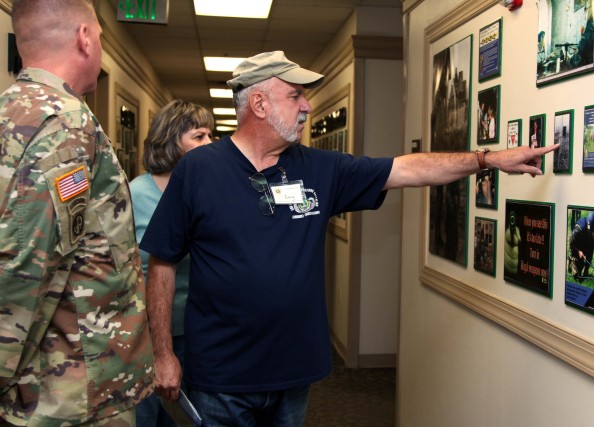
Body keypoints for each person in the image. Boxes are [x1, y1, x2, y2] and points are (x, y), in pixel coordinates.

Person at [140, 50, 558, 426]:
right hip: (221, 375)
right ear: (259, 103)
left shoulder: (320, 168)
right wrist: (163, 354)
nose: (306, 107)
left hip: (294, 372)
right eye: (295, 96)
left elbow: (408, 170)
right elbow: (161, 263)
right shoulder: (199, 170)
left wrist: (487, 160)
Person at [0, 1, 154, 425]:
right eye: (101, 37)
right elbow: (26, 268)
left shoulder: (13, 110)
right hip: (67, 393)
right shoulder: (62, 124)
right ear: (85, 38)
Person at [131, 99, 214, 426]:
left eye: (211, 135)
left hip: (199, 331)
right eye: (199, 136)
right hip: (147, 334)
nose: (211, 144)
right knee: (148, 416)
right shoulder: (136, 194)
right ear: (170, 140)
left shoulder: (207, 192)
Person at [569, 212, 594, 282]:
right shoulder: (578, 228)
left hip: (584, 245)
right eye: (591, 231)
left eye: (593, 231)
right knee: (576, 274)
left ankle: (586, 272)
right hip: (576, 246)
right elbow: (571, 243)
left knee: (592, 245)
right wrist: (578, 251)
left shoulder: (592, 232)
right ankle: (572, 263)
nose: (593, 233)